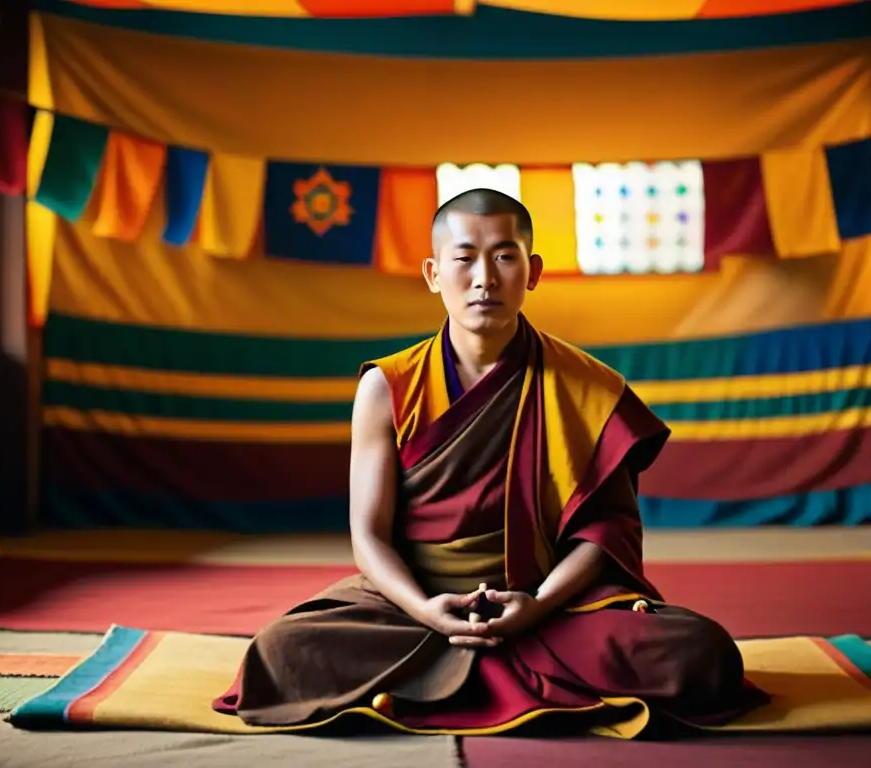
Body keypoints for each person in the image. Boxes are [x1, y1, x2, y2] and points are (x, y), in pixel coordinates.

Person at [212, 189, 766, 737]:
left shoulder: (586, 387)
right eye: (464, 258)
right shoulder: (388, 387)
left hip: (549, 605)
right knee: (281, 654)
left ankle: (467, 670)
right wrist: (428, 610)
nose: (484, 277)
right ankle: (510, 668)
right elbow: (369, 536)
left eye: (504, 256)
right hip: (411, 607)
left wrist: (539, 604)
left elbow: (604, 530)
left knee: (702, 654)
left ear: (533, 271)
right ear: (433, 272)